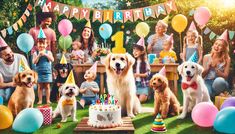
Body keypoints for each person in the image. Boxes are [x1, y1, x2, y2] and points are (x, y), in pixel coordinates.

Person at [202, 30, 230, 99]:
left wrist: (216, 69)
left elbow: (225, 76)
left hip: (219, 82)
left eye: (220, 45)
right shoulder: (206, 57)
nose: (217, 46)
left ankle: (218, 93)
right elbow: (202, 75)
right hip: (208, 81)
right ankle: (218, 94)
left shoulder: (227, 59)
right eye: (216, 44)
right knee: (208, 93)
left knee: (219, 81)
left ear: (224, 48)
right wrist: (208, 67)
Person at [0, 37, 28, 101]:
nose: (11, 55)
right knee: (4, 97)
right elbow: (0, 84)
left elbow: (27, 73)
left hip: (20, 83)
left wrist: (20, 82)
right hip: (7, 85)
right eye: (7, 55)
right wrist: (12, 84)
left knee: (33, 87)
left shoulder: (21, 57)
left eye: (11, 52)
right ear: (1, 57)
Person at [33, 28, 54, 104]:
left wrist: (45, 54)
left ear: (46, 44)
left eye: (43, 43)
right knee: (40, 87)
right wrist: (38, 56)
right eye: (40, 43)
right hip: (39, 73)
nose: (41, 45)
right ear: (37, 45)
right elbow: (34, 62)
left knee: (47, 86)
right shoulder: (36, 53)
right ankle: (40, 100)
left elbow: (52, 60)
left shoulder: (48, 52)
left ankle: (48, 99)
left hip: (47, 72)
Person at [133, 38, 151, 103]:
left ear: (142, 52)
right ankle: (137, 94)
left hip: (143, 84)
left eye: (137, 51)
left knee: (141, 100)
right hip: (135, 84)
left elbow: (148, 73)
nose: (134, 52)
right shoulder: (132, 62)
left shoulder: (145, 62)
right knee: (133, 99)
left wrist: (138, 75)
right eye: (134, 50)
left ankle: (146, 94)